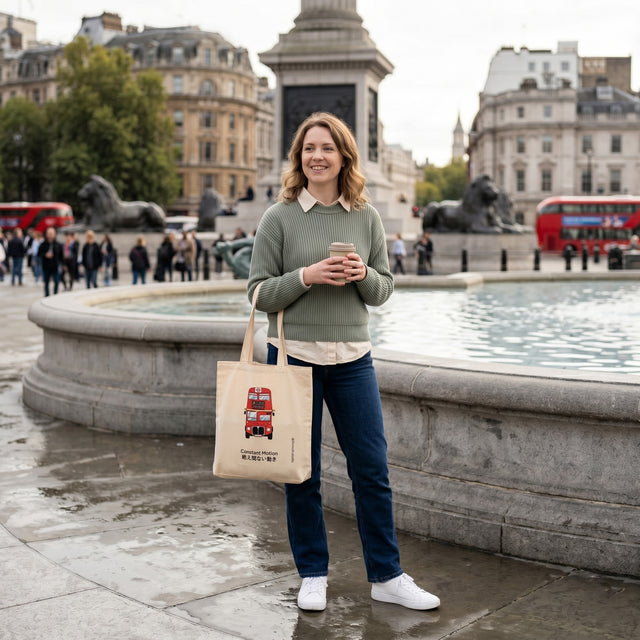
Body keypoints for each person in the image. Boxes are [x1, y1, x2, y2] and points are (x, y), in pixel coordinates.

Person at [247, 112, 440, 613]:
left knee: (372, 471)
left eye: (327, 148)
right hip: (293, 361)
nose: (317, 156)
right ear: (298, 158)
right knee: (300, 475)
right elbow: (257, 294)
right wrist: (307, 275)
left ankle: (387, 575)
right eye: (308, 148)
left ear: (344, 156)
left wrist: (360, 275)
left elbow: (383, 291)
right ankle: (312, 573)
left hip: (354, 361)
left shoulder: (367, 217)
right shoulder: (278, 217)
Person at [38, 226, 64, 296]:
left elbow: (61, 256)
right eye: (49, 233)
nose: (50, 235)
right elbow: (39, 254)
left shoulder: (58, 244)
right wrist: (45, 255)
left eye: (52, 233)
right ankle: (47, 295)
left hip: (55, 266)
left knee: (56, 281)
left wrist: (62, 265)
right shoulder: (43, 244)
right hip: (46, 266)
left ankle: (55, 295)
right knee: (46, 282)